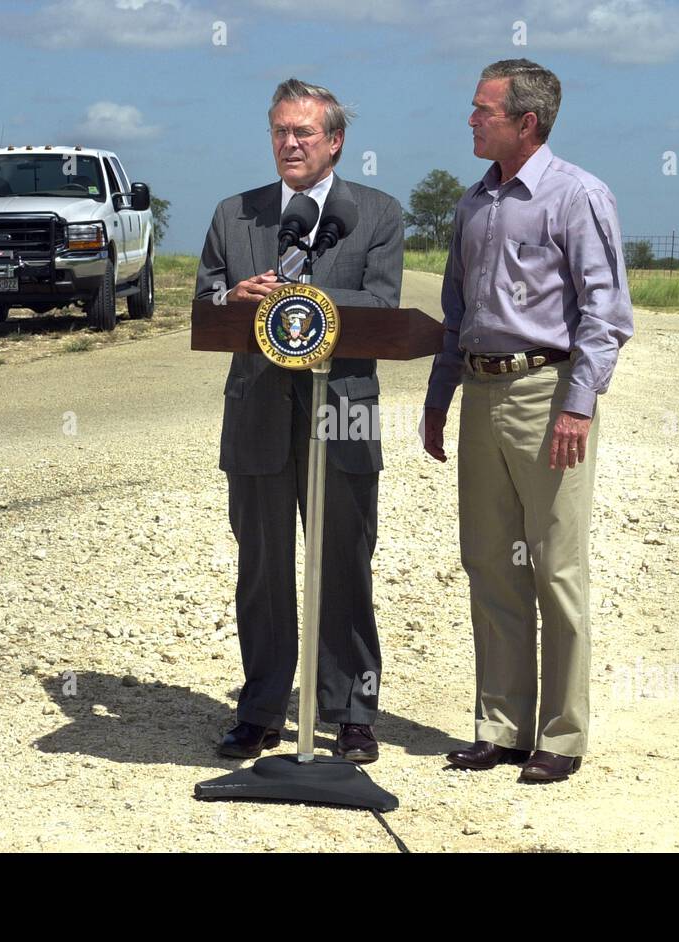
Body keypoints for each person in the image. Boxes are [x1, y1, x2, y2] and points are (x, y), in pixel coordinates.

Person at [422, 59, 634, 783]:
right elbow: (457, 317)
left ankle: (562, 737)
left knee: (555, 567)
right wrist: (437, 400)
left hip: (548, 396)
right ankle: (502, 726)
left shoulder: (577, 197)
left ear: (525, 122)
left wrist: (579, 404)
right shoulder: (473, 206)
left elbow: (607, 317)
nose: (471, 120)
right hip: (481, 396)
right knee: (490, 564)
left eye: (483, 110)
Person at [195, 78, 404, 763]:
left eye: (303, 133)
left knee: (344, 564)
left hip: (339, 416)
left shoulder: (376, 215)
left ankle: (350, 712)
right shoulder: (235, 214)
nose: (289, 143)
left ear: (334, 141)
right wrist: (237, 295)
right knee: (261, 568)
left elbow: (378, 305)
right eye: (280, 131)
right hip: (257, 414)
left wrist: (301, 297)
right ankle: (258, 709)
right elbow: (205, 306)